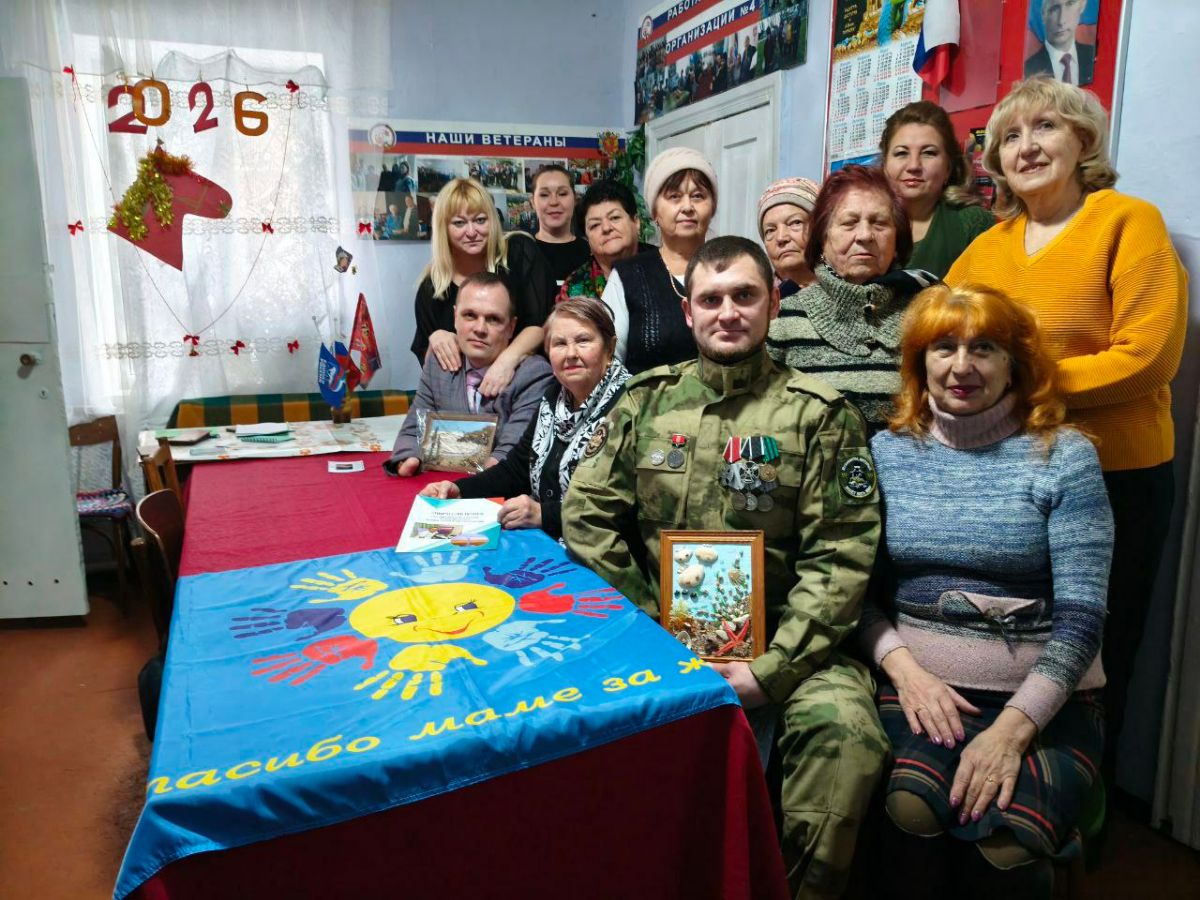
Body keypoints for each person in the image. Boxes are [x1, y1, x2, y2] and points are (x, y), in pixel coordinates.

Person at [564, 236, 887, 899]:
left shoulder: (819, 416)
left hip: (793, 646)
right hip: (660, 640)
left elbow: (840, 556)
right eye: (711, 299)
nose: (728, 312)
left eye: (744, 295)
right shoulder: (646, 403)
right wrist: (650, 627)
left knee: (848, 737)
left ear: (773, 303)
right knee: (577, 730)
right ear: (689, 313)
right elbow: (586, 517)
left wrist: (773, 669)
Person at [946, 77, 1188, 787]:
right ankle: (1010, 786)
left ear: (1083, 140)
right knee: (1024, 643)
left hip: (1118, 477)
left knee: (1103, 648)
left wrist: (1014, 388)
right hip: (1014, 475)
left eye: (1045, 127)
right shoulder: (987, 248)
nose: (1026, 147)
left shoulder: (1128, 221)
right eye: (1009, 137)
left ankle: (1083, 800)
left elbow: (1148, 358)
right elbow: (937, 336)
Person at [861, 283, 1113, 898]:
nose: (962, 366)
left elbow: (1083, 618)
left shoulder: (1065, 455)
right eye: (944, 347)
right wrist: (905, 673)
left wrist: (1014, 729)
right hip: (924, 695)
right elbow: (858, 596)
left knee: (1006, 848)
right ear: (920, 362)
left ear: (1014, 363)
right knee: (911, 812)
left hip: (1046, 703)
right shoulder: (887, 453)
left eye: (984, 349)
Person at [420, 297, 631, 540]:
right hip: (550, 542)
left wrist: (544, 514)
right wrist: (459, 490)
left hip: (607, 554)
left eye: (583, 341)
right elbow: (517, 468)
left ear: (609, 348)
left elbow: (628, 507)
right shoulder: (554, 397)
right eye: (559, 343)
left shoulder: (632, 405)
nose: (571, 353)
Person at [766, 164, 936, 430]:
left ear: (897, 240)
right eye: (849, 223)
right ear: (822, 238)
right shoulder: (782, 321)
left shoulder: (928, 314)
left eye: (879, 223)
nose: (865, 235)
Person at [386, 273, 553, 476]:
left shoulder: (533, 375)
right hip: (438, 483)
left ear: (511, 327)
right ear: (455, 317)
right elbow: (413, 430)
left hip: (498, 486)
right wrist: (409, 458)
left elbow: (512, 451)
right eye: (470, 315)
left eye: (493, 319)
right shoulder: (439, 364)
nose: (480, 329)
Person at [412, 177, 557, 401]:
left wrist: (506, 361)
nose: (471, 232)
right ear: (444, 228)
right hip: (466, 402)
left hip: (527, 389)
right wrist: (437, 338)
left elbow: (541, 323)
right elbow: (432, 371)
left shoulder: (519, 252)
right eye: (459, 223)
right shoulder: (432, 288)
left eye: (480, 220)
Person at [601, 147, 718, 373]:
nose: (687, 207)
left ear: (712, 208)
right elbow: (606, 362)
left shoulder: (731, 268)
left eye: (698, 196)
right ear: (655, 211)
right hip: (645, 395)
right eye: (674, 197)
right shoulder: (628, 276)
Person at [880, 101, 994, 277]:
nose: (914, 165)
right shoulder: (862, 223)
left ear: (948, 167)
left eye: (929, 153)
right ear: (885, 164)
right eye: (901, 153)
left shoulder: (972, 224)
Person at [557, 180, 650, 304]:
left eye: (615, 218)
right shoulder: (574, 289)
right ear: (587, 238)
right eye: (595, 225)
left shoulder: (664, 265)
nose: (606, 228)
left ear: (636, 222)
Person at [757, 176, 821, 295]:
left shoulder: (851, 292)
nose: (781, 238)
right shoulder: (758, 300)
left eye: (795, 223)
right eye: (770, 230)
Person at [531, 164, 591, 283]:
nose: (554, 202)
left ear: (575, 199)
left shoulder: (590, 252)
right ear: (532, 202)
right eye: (544, 195)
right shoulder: (520, 251)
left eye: (562, 194)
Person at [1024, 0, 1094, 86]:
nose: (1061, 21)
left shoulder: (1092, 56)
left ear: (1082, 5)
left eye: (1070, 4)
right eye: (1054, 9)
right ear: (1043, 15)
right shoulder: (1029, 70)